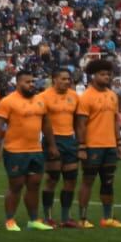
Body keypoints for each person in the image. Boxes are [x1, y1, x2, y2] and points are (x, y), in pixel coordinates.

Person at [0, 70, 57, 231]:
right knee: (16, 185)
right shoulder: (8, 101)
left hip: (35, 150)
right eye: (27, 82)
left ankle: (34, 220)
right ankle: (10, 220)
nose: (32, 85)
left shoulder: (41, 101)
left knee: (34, 185)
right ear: (18, 83)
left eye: (33, 82)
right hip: (15, 151)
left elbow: (47, 125)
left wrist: (52, 145)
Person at [76, 58, 121, 228]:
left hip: (110, 146)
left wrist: (119, 143)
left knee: (108, 182)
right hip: (92, 147)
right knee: (88, 181)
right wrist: (82, 146)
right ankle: (82, 219)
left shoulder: (112, 95)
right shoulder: (86, 97)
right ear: (94, 76)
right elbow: (81, 124)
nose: (107, 77)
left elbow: (115, 121)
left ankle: (107, 218)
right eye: (103, 74)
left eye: (109, 74)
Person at [37, 68, 81, 227]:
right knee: (52, 179)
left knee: (70, 180)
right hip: (52, 141)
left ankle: (65, 217)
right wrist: (51, 144)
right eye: (63, 79)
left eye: (68, 79)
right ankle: (48, 216)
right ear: (54, 79)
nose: (67, 82)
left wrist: (80, 143)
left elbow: (77, 121)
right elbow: (42, 122)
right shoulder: (43, 97)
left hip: (70, 141)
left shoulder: (74, 96)